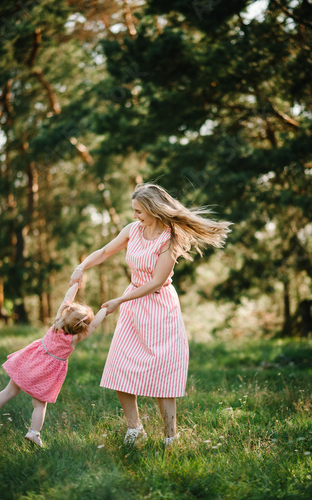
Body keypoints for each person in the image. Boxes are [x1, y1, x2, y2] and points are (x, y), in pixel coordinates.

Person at [69, 183, 231, 446]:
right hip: (133, 306)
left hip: (159, 307)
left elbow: (156, 282)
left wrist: (119, 300)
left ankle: (171, 437)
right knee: (120, 367)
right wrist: (82, 266)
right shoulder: (133, 230)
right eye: (133, 211)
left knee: (162, 376)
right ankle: (135, 428)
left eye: (139, 211)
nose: (135, 216)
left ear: (154, 210)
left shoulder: (170, 239)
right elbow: (105, 251)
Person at [0, 283, 107, 447]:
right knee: (39, 404)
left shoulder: (56, 323)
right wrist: (105, 309)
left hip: (30, 361)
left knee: (10, 390)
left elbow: (66, 300)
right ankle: (33, 433)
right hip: (46, 373)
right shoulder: (74, 339)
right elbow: (94, 325)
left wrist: (75, 284)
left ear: (65, 314)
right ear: (81, 328)